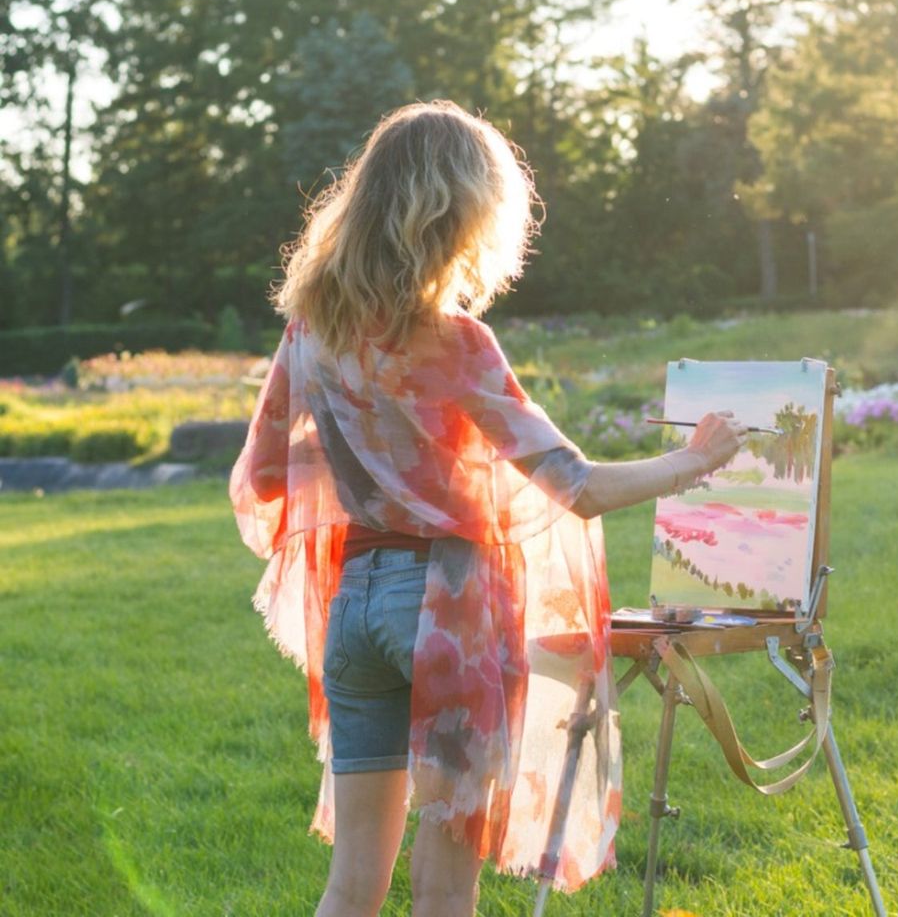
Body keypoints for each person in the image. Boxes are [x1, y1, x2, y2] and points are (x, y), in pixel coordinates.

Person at [229, 100, 746, 917]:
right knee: (444, 887)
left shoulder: (309, 332)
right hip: (448, 611)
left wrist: (365, 452)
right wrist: (696, 459)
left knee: (352, 882)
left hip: (354, 610)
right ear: (461, 212)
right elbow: (576, 486)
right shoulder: (457, 342)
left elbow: (260, 479)